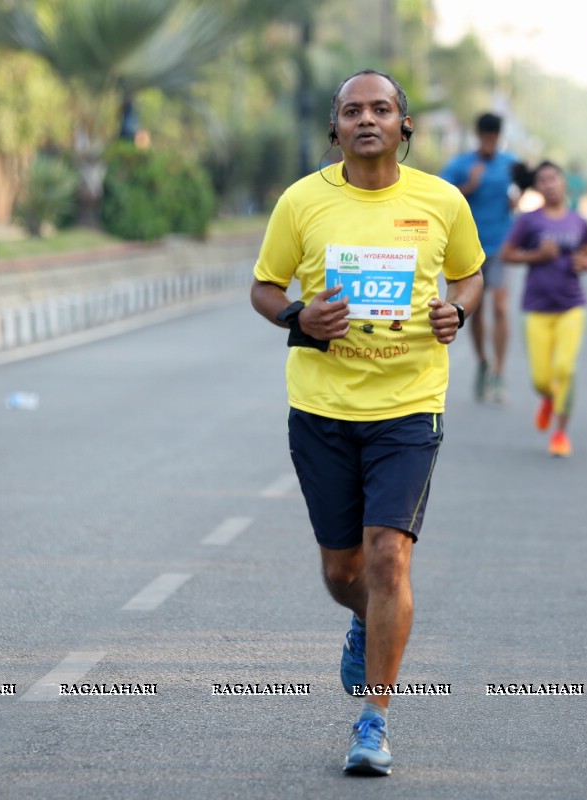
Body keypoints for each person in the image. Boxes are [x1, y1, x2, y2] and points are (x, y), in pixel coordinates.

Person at [249, 69, 484, 776]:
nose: (367, 120)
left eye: (381, 108)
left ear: (404, 126)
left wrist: (458, 309)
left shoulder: (441, 201)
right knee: (341, 569)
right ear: (336, 129)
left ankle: (374, 721)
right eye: (352, 111)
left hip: (409, 404)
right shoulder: (303, 201)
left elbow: (470, 272)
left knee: (388, 557)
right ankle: (363, 617)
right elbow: (264, 289)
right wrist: (298, 315)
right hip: (322, 409)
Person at [500, 161, 587, 457]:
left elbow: (586, 255)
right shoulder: (529, 221)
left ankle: (561, 433)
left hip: (572, 306)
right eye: (543, 180)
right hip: (537, 307)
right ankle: (549, 399)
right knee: (541, 380)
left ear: (564, 182)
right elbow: (507, 254)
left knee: (565, 369)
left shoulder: (579, 221)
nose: (550, 184)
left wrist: (584, 263)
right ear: (537, 187)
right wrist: (537, 255)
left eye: (554, 178)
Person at [441, 112, 518, 403]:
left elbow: (524, 189)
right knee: (476, 309)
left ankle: (499, 371)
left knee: (500, 306)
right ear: (478, 136)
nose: (489, 143)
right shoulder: (461, 165)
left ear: (499, 137)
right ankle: (483, 362)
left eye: (494, 138)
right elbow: (441, 196)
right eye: (485, 138)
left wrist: (517, 200)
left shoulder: (510, 164)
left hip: (501, 244)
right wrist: (468, 187)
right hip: (470, 247)